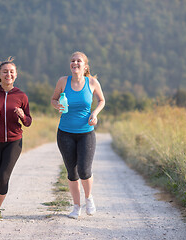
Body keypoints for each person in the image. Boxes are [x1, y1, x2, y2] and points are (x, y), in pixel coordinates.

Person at [51, 51, 105, 219]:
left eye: (79, 61)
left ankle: (89, 199)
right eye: (72, 60)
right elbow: (53, 99)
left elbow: (101, 100)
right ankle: (76, 207)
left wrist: (94, 114)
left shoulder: (93, 82)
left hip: (86, 133)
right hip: (65, 133)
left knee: (84, 169)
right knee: (71, 172)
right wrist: (57, 105)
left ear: (85, 65)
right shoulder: (62, 81)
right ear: (70, 64)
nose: (75, 63)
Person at [0, 57, 32, 220]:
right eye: (5, 72)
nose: (8, 74)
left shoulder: (21, 96)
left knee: (4, 176)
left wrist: (23, 116)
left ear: (15, 75)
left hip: (14, 141)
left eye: (11, 72)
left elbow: (29, 121)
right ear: (0, 75)